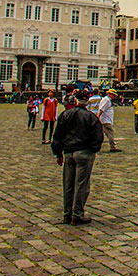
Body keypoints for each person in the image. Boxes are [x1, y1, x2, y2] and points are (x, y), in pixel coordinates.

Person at [51, 89, 103, 225]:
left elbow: (57, 136)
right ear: (88, 102)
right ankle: (77, 214)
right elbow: (98, 137)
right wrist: (93, 150)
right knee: (82, 185)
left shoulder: (65, 115)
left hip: (68, 153)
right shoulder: (91, 117)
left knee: (68, 184)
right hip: (84, 153)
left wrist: (58, 153)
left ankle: (67, 214)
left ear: (75, 100)